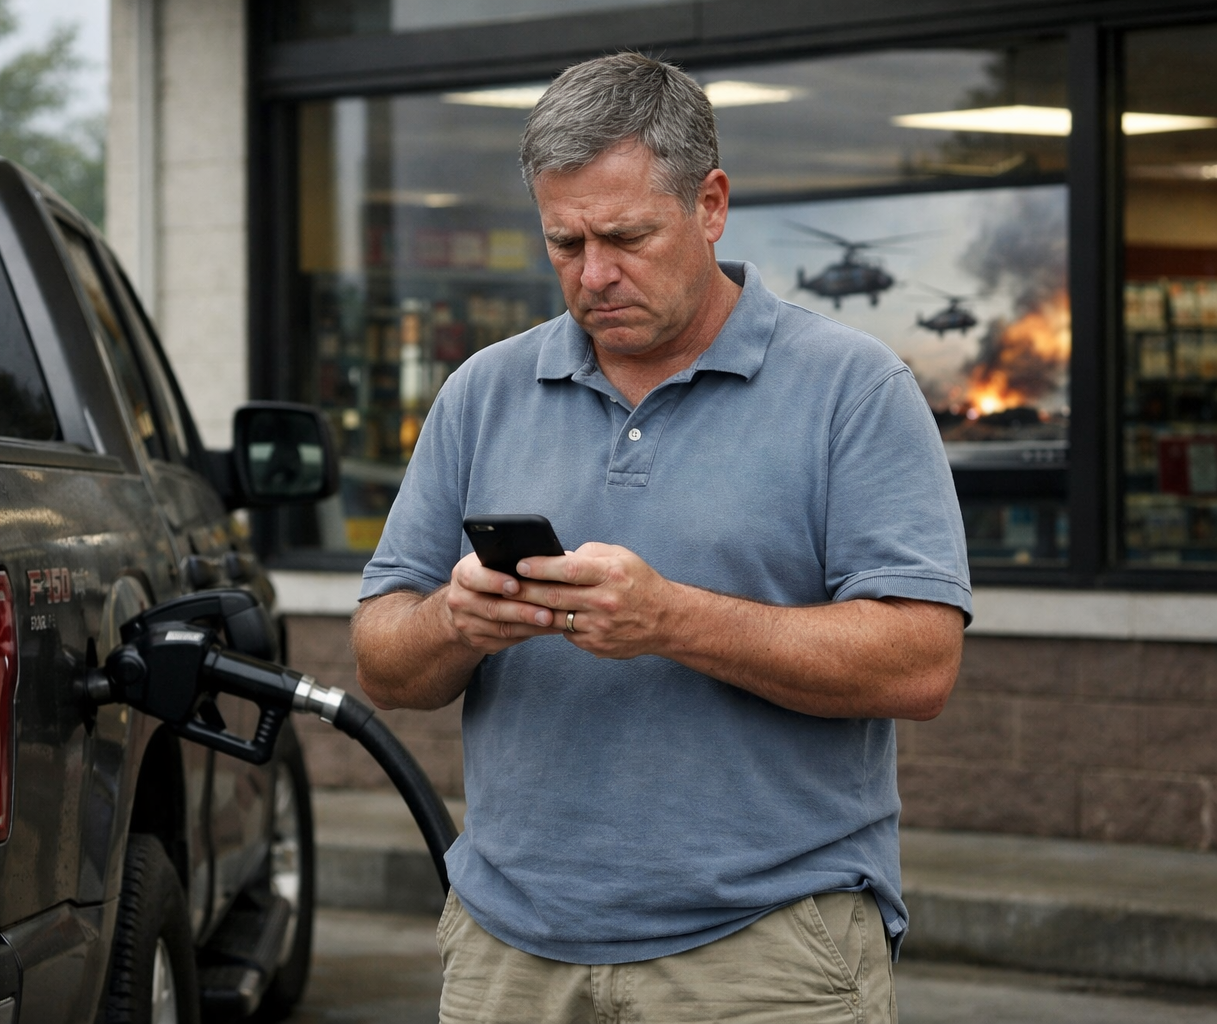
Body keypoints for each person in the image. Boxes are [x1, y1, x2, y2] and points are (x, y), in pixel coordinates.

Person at [352, 52, 969, 1023]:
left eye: (627, 236)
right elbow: (383, 664)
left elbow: (921, 664)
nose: (594, 275)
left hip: (765, 952)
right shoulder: (483, 392)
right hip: (506, 951)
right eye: (565, 242)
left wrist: (671, 620)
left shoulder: (853, 388)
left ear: (710, 204)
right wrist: (455, 621)